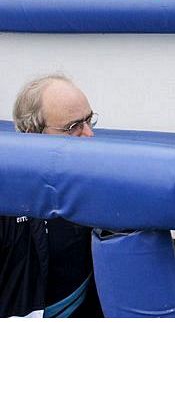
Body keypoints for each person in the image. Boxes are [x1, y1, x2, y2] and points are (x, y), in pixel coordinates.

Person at [0, 75, 102, 318]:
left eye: (89, 120)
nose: (89, 134)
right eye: (74, 127)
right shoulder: (8, 203)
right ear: (32, 134)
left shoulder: (97, 184)